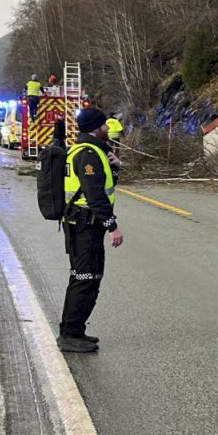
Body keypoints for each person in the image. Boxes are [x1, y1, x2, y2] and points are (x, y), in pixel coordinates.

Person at [58, 107, 123, 354]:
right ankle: (70, 334)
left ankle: (75, 330)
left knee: (89, 277)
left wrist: (117, 167)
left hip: (85, 225)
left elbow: (103, 185)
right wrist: (112, 226)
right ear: (97, 128)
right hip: (84, 225)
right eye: (105, 126)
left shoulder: (91, 151)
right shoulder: (88, 154)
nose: (109, 129)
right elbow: (95, 195)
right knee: (84, 278)